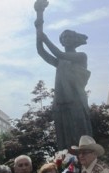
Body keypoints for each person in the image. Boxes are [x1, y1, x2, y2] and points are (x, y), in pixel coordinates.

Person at [34, 1, 92, 150]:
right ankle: (65, 167)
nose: (65, 39)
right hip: (61, 103)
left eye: (69, 36)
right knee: (63, 141)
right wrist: (39, 17)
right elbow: (41, 51)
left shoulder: (80, 56)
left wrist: (45, 37)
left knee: (80, 140)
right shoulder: (59, 61)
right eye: (63, 37)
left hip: (76, 103)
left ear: (75, 40)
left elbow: (59, 53)